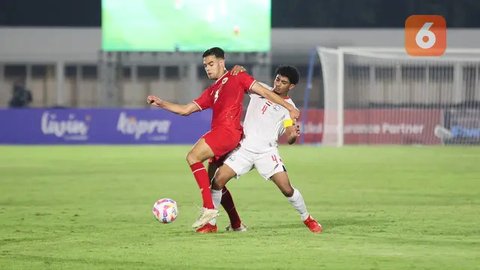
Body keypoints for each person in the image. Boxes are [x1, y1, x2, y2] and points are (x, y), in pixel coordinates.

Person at [147, 47, 300, 230]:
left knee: (192, 157)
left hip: (227, 132)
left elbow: (267, 93)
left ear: (222, 62)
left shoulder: (238, 77)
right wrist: (161, 103)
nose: (208, 68)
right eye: (205, 66)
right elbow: (186, 110)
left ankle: (209, 209)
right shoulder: (213, 90)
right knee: (215, 182)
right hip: (225, 134)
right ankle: (235, 224)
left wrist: (289, 108)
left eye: (211, 64)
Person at [203, 65, 322, 234]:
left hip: (267, 153)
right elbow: (237, 82)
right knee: (217, 181)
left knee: (287, 189)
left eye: (284, 82)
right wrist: (237, 69)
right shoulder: (261, 89)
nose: (278, 84)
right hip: (244, 149)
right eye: (277, 79)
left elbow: (289, 136)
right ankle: (211, 223)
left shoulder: (289, 108)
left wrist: (294, 135)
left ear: (292, 86)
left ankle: (307, 218)